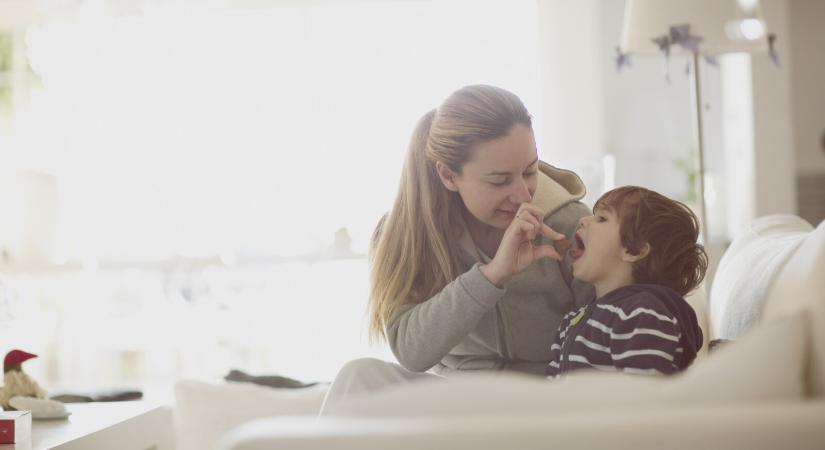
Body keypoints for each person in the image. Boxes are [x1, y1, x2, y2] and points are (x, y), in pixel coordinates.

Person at [321, 85, 594, 409]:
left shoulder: (569, 224)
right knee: (358, 378)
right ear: (449, 176)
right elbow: (412, 353)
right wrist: (492, 275)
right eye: (499, 180)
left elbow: (604, 337)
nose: (523, 195)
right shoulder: (406, 233)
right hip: (458, 401)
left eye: (530, 170)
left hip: (544, 400)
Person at [546, 186, 707, 378]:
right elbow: (553, 393)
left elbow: (642, 395)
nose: (583, 220)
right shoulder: (573, 319)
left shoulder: (643, 315)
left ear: (634, 251)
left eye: (602, 219)